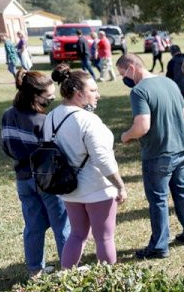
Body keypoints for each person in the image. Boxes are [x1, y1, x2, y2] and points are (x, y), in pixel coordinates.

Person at [117, 53, 184, 259]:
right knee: (183, 191)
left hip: (158, 153)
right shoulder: (169, 82)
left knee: (158, 199)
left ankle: (159, 245)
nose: (123, 78)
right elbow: (182, 113)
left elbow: (142, 126)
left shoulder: (139, 91)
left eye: (122, 73)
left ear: (131, 68)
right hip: (181, 147)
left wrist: (126, 136)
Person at [46, 65, 127, 269]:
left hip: (68, 188)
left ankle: (66, 279)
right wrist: (120, 185)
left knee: (77, 234)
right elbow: (102, 159)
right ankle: (107, 282)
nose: (97, 95)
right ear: (78, 93)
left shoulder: (51, 117)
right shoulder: (88, 120)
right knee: (104, 238)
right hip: (96, 188)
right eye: (92, 91)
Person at [1, 70, 70, 277]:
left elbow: (6, 148)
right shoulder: (44, 120)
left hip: (23, 179)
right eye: (48, 96)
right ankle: (69, 269)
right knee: (62, 225)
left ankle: (35, 271)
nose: (51, 99)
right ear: (35, 95)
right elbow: (56, 151)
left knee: (33, 226)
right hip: (47, 179)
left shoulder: (7, 115)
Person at [166, 45, 184, 133]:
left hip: (178, 91)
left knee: (180, 112)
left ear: (172, 53)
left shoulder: (171, 62)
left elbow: (169, 77)